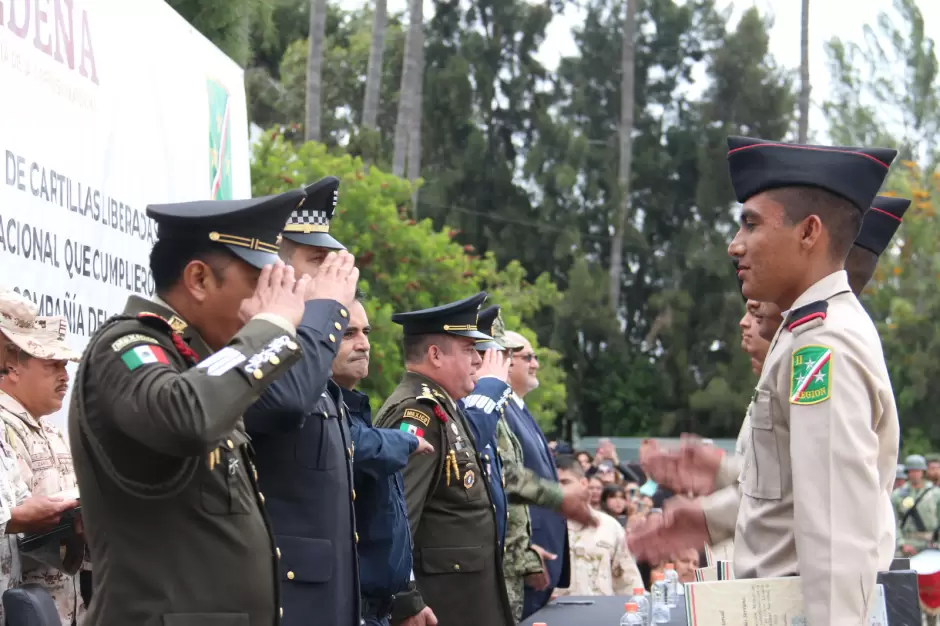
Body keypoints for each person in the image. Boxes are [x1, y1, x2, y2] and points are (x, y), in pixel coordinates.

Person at [632, 136, 900, 626]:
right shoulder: (807, 333)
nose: (735, 245)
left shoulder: (823, 346)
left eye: (751, 224)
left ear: (809, 232)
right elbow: (786, 489)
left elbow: (837, 535)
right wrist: (710, 511)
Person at [69, 189, 310, 626]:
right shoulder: (126, 345)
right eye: (260, 287)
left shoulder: (201, 363)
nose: (269, 304)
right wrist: (270, 328)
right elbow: (185, 417)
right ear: (198, 279)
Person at [245, 177, 362, 626]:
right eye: (317, 261)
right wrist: (323, 312)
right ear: (275, 265)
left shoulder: (312, 347)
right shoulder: (266, 342)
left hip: (328, 596)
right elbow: (285, 404)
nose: (332, 276)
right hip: (286, 597)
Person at [373, 292, 514, 626]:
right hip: (441, 608)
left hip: (465, 600)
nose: (478, 361)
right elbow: (397, 514)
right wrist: (405, 600)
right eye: (468, 350)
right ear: (435, 354)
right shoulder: (418, 412)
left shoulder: (444, 406)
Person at [459, 305, 593, 621]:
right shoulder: (486, 408)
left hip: (527, 561)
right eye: (499, 352)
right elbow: (502, 482)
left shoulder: (508, 406)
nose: (534, 364)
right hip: (502, 566)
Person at [331, 295, 434, 626]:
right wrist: (403, 441)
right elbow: (350, 445)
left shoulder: (354, 409)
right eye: (348, 334)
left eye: (366, 332)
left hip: (379, 610)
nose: (363, 344)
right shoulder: (315, 410)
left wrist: (405, 596)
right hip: (348, 609)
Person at [0, 292, 85, 625]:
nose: (64, 375)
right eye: (52, 364)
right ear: (14, 366)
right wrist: (19, 518)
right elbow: (15, 516)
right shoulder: (6, 426)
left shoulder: (53, 434)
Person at [502, 329, 569, 617]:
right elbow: (508, 483)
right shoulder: (500, 410)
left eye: (535, 356)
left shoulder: (518, 407)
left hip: (541, 558)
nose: (535, 363)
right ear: (505, 360)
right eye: (527, 356)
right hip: (525, 558)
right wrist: (525, 554)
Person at [551, 455, 641, 597]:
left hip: (601, 613)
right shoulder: (541, 528)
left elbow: (628, 582)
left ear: (583, 484)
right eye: (553, 483)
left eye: (565, 482)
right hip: (556, 615)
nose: (558, 488)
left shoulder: (610, 527)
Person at [892, 454, 940, 557]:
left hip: (931, 543)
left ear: (923, 472)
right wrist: (901, 543)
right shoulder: (897, 495)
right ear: (907, 473)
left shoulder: (936, 493)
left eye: (918, 471)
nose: (914, 474)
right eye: (911, 471)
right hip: (907, 543)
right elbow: (893, 522)